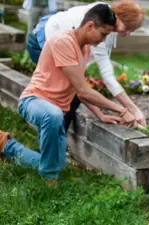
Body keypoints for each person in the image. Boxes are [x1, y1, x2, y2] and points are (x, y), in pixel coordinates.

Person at [0, 4, 137, 185]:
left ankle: (6, 145)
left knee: (61, 165)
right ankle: (49, 179)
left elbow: (80, 88)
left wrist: (100, 114)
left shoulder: (85, 48)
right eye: (103, 34)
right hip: (34, 101)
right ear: (90, 26)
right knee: (54, 117)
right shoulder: (63, 41)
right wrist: (122, 109)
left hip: (55, 112)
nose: (103, 41)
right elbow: (83, 91)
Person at [26, 0, 146, 131]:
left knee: (72, 93)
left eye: (131, 30)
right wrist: (132, 110)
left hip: (56, 35)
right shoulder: (97, 26)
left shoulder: (104, 23)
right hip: (40, 40)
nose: (127, 33)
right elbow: (105, 79)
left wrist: (100, 114)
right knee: (61, 95)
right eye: (127, 28)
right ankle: (51, 140)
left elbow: (82, 87)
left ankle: (58, 139)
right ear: (118, 16)